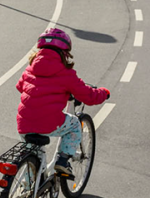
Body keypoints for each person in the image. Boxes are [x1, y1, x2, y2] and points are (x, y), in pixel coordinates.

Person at [16, 28, 111, 177]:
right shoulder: (66, 74)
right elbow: (88, 96)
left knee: (34, 158)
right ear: (64, 53)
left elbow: (20, 87)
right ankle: (63, 160)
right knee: (74, 125)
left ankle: (26, 192)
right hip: (49, 123)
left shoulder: (29, 69)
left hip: (24, 123)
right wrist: (103, 93)